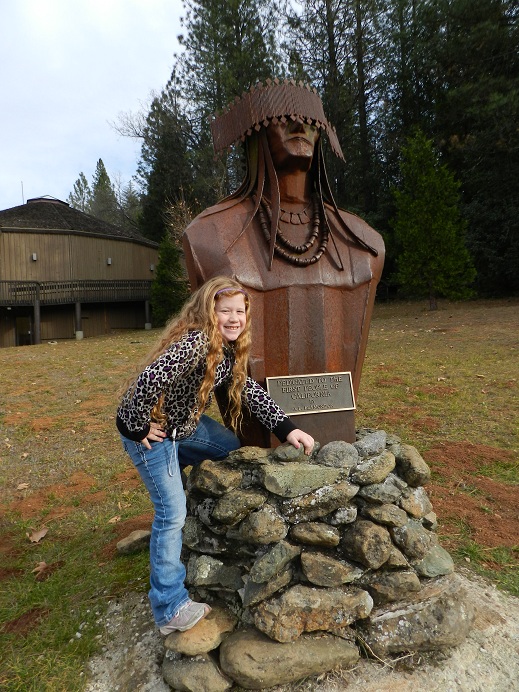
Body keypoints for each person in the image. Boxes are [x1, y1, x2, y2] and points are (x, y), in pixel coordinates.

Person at [183, 79, 385, 447]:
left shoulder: (363, 243)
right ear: (256, 136)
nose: (299, 128)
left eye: (310, 122)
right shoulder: (209, 235)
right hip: (255, 436)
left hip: (334, 424)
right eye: (284, 119)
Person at [116, 276, 314, 635]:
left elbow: (246, 389)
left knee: (229, 449)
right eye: (225, 311)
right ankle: (169, 606)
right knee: (169, 514)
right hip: (154, 436)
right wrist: (137, 427)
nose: (234, 317)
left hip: (186, 430)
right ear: (208, 312)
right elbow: (144, 383)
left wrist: (287, 428)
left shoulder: (226, 349)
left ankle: (184, 497)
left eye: (240, 311)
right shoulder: (194, 344)